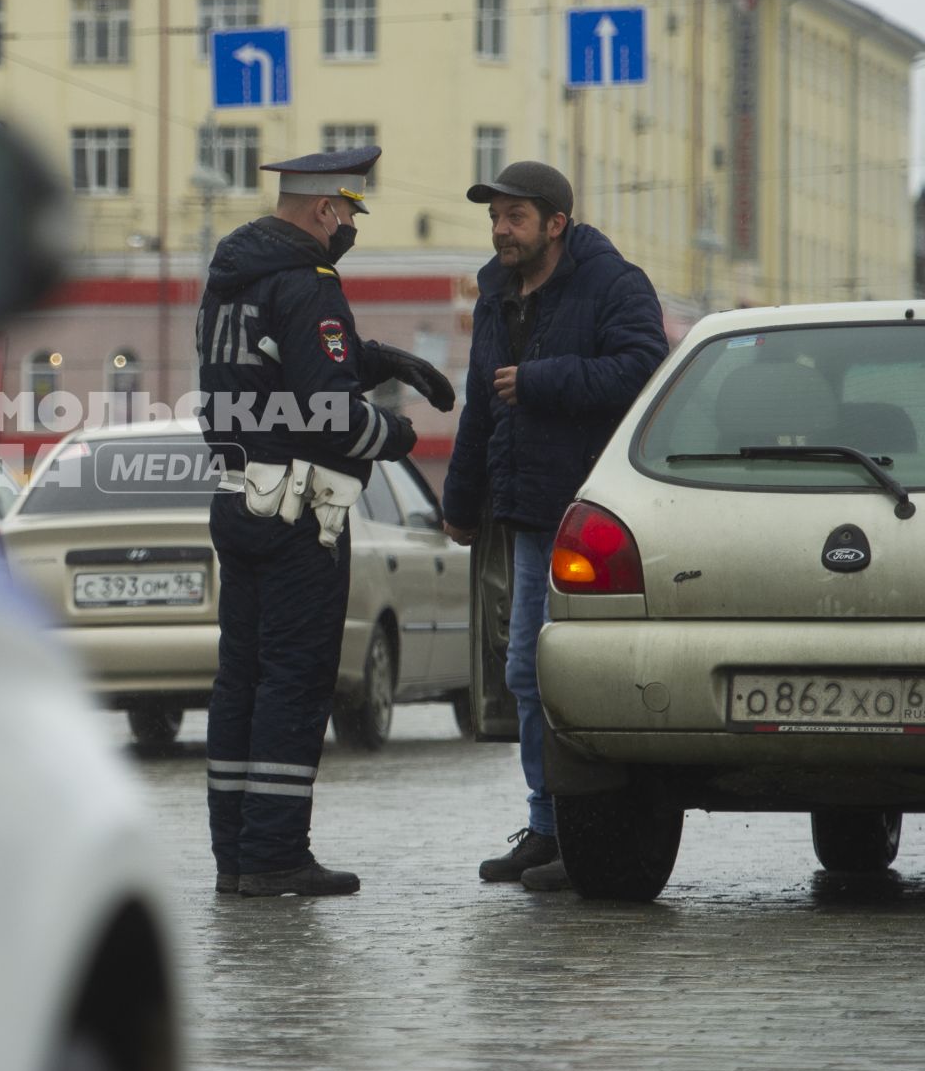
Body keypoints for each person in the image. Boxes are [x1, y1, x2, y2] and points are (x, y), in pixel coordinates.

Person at [196, 145, 455, 898]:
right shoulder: (309, 284)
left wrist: (378, 356)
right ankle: (275, 853)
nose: (349, 229)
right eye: (348, 214)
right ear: (323, 210)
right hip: (301, 513)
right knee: (294, 682)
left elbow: (270, 375)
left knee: (240, 680)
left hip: (241, 498)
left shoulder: (232, 279)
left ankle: (237, 855)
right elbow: (330, 413)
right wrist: (401, 437)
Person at [440, 160, 667, 892]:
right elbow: (481, 400)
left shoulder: (613, 284)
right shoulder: (495, 292)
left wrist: (541, 380)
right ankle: (546, 826)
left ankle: (579, 829)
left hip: (596, 519)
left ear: (555, 223)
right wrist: (462, 498)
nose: (500, 230)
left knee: (568, 675)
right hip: (529, 509)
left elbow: (643, 370)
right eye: (494, 218)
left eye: (514, 217)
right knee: (524, 673)